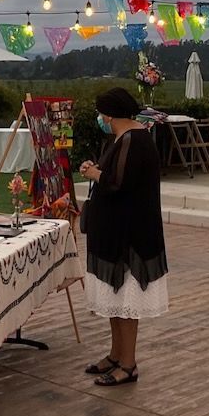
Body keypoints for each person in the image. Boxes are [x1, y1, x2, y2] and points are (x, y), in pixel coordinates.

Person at [78, 88, 168, 387]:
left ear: (109, 114)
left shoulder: (134, 139)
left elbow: (119, 182)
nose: (99, 118)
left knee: (127, 302)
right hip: (113, 233)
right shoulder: (120, 138)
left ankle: (128, 363)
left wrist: (94, 175)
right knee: (115, 301)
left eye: (100, 112)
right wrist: (96, 169)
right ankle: (116, 354)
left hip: (130, 237)